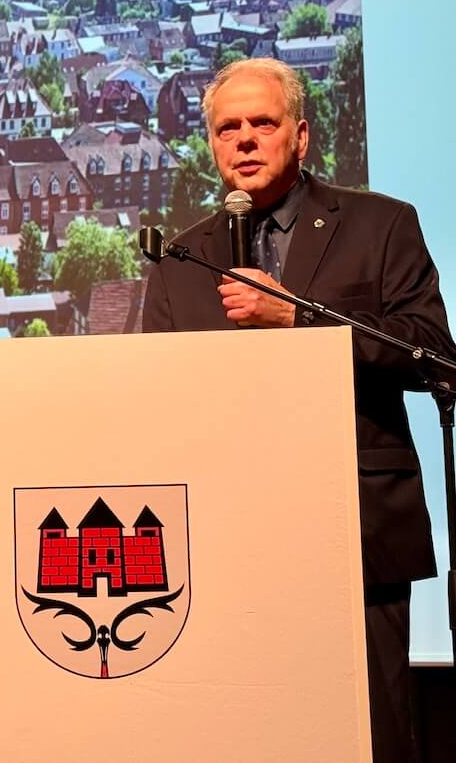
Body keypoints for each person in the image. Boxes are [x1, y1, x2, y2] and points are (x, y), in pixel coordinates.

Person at [142, 57, 455, 762]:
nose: (245, 140)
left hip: (359, 529)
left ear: (302, 136)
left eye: (262, 123)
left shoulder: (380, 226)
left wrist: (299, 321)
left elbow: (438, 356)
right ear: (212, 147)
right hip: (229, 542)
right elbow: (156, 399)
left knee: (376, 736)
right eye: (228, 128)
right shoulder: (184, 259)